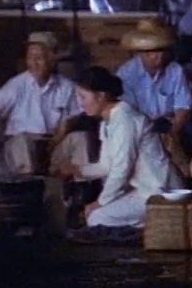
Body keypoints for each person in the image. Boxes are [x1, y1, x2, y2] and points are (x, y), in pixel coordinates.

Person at [71, 66, 185, 231]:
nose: (81, 103)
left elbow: (121, 169)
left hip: (160, 191)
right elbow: (106, 166)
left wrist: (100, 203)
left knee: (97, 217)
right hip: (143, 191)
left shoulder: (125, 119)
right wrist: (78, 170)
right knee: (96, 214)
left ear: (101, 96)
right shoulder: (108, 122)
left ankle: (151, 229)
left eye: (83, 97)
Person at [0, 32, 80, 175]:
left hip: (51, 145)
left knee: (79, 139)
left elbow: (65, 126)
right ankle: (28, 183)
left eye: (39, 58)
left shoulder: (67, 88)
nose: (33, 63)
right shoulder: (17, 85)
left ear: (52, 60)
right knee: (23, 143)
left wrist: (52, 145)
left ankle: (78, 184)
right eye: (30, 58)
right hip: (20, 143)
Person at [116, 19, 192, 162]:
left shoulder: (176, 70)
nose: (160, 55)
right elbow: (128, 112)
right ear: (142, 53)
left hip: (169, 125)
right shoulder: (126, 74)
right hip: (140, 129)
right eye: (154, 51)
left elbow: (183, 106)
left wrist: (173, 131)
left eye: (162, 50)